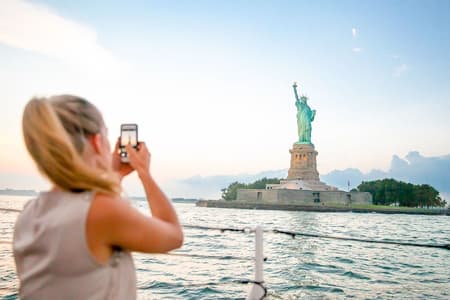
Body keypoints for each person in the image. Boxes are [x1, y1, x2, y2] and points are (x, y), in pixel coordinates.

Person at [13, 95, 183, 299]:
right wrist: (144, 173)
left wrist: (115, 175)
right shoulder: (101, 210)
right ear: (97, 141)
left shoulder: (29, 213)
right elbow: (173, 236)